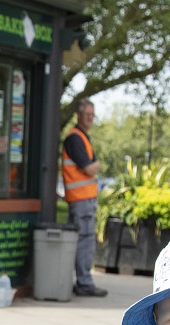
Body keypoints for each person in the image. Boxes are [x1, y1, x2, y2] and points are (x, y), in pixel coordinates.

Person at [59, 98, 107, 297]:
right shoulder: (75, 138)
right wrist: (95, 166)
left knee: (83, 241)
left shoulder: (82, 137)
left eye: (92, 115)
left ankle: (82, 280)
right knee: (84, 242)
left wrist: (94, 165)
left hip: (83, 199)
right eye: (87, 114)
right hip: (80, 199)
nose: (90, 118)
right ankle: (84, 283)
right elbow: (89, 167)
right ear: (78, 115)